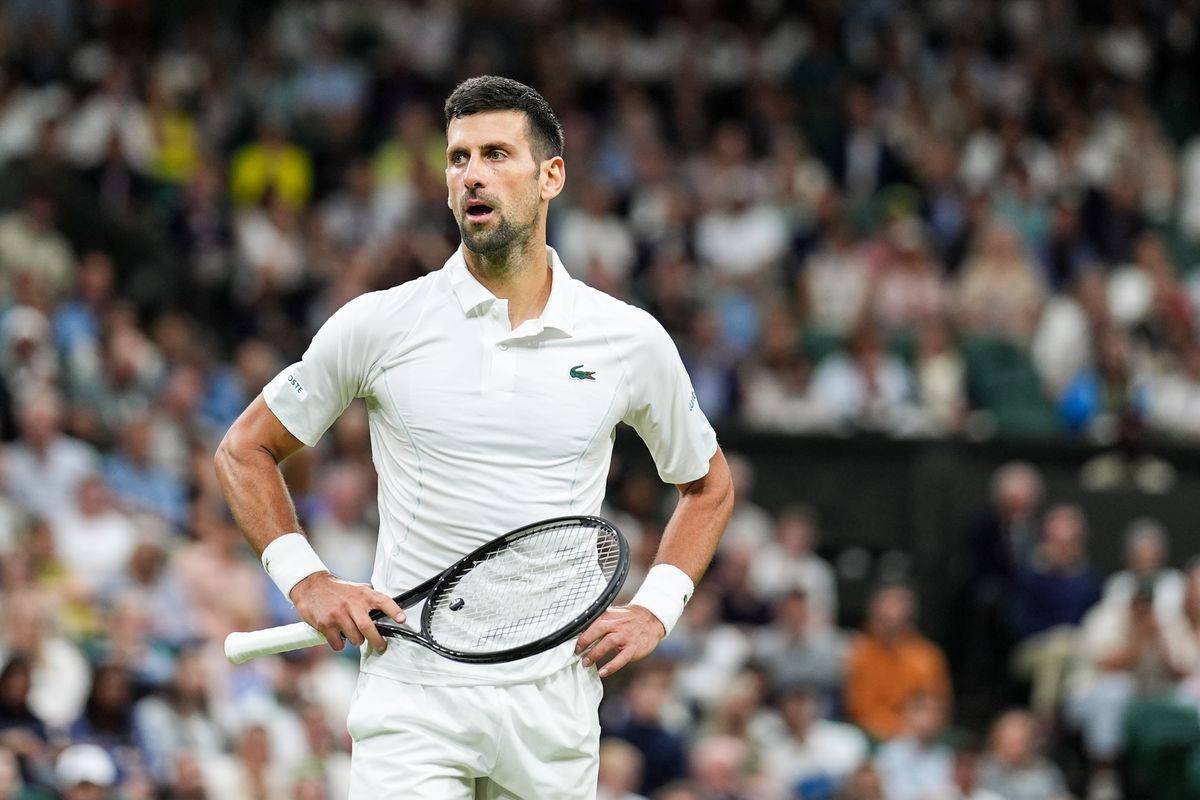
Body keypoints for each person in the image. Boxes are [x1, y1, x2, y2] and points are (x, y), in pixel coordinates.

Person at [214, 75, 734, 799]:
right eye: (458, 159)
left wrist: (656, 607)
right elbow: (244, 449)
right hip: (415, 698)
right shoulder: (380, 323)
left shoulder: (629, 338)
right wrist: (306, 578)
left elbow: (707, 485)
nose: (472, 176)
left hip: (553, 704)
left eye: (496, 155)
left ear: (551, 176)